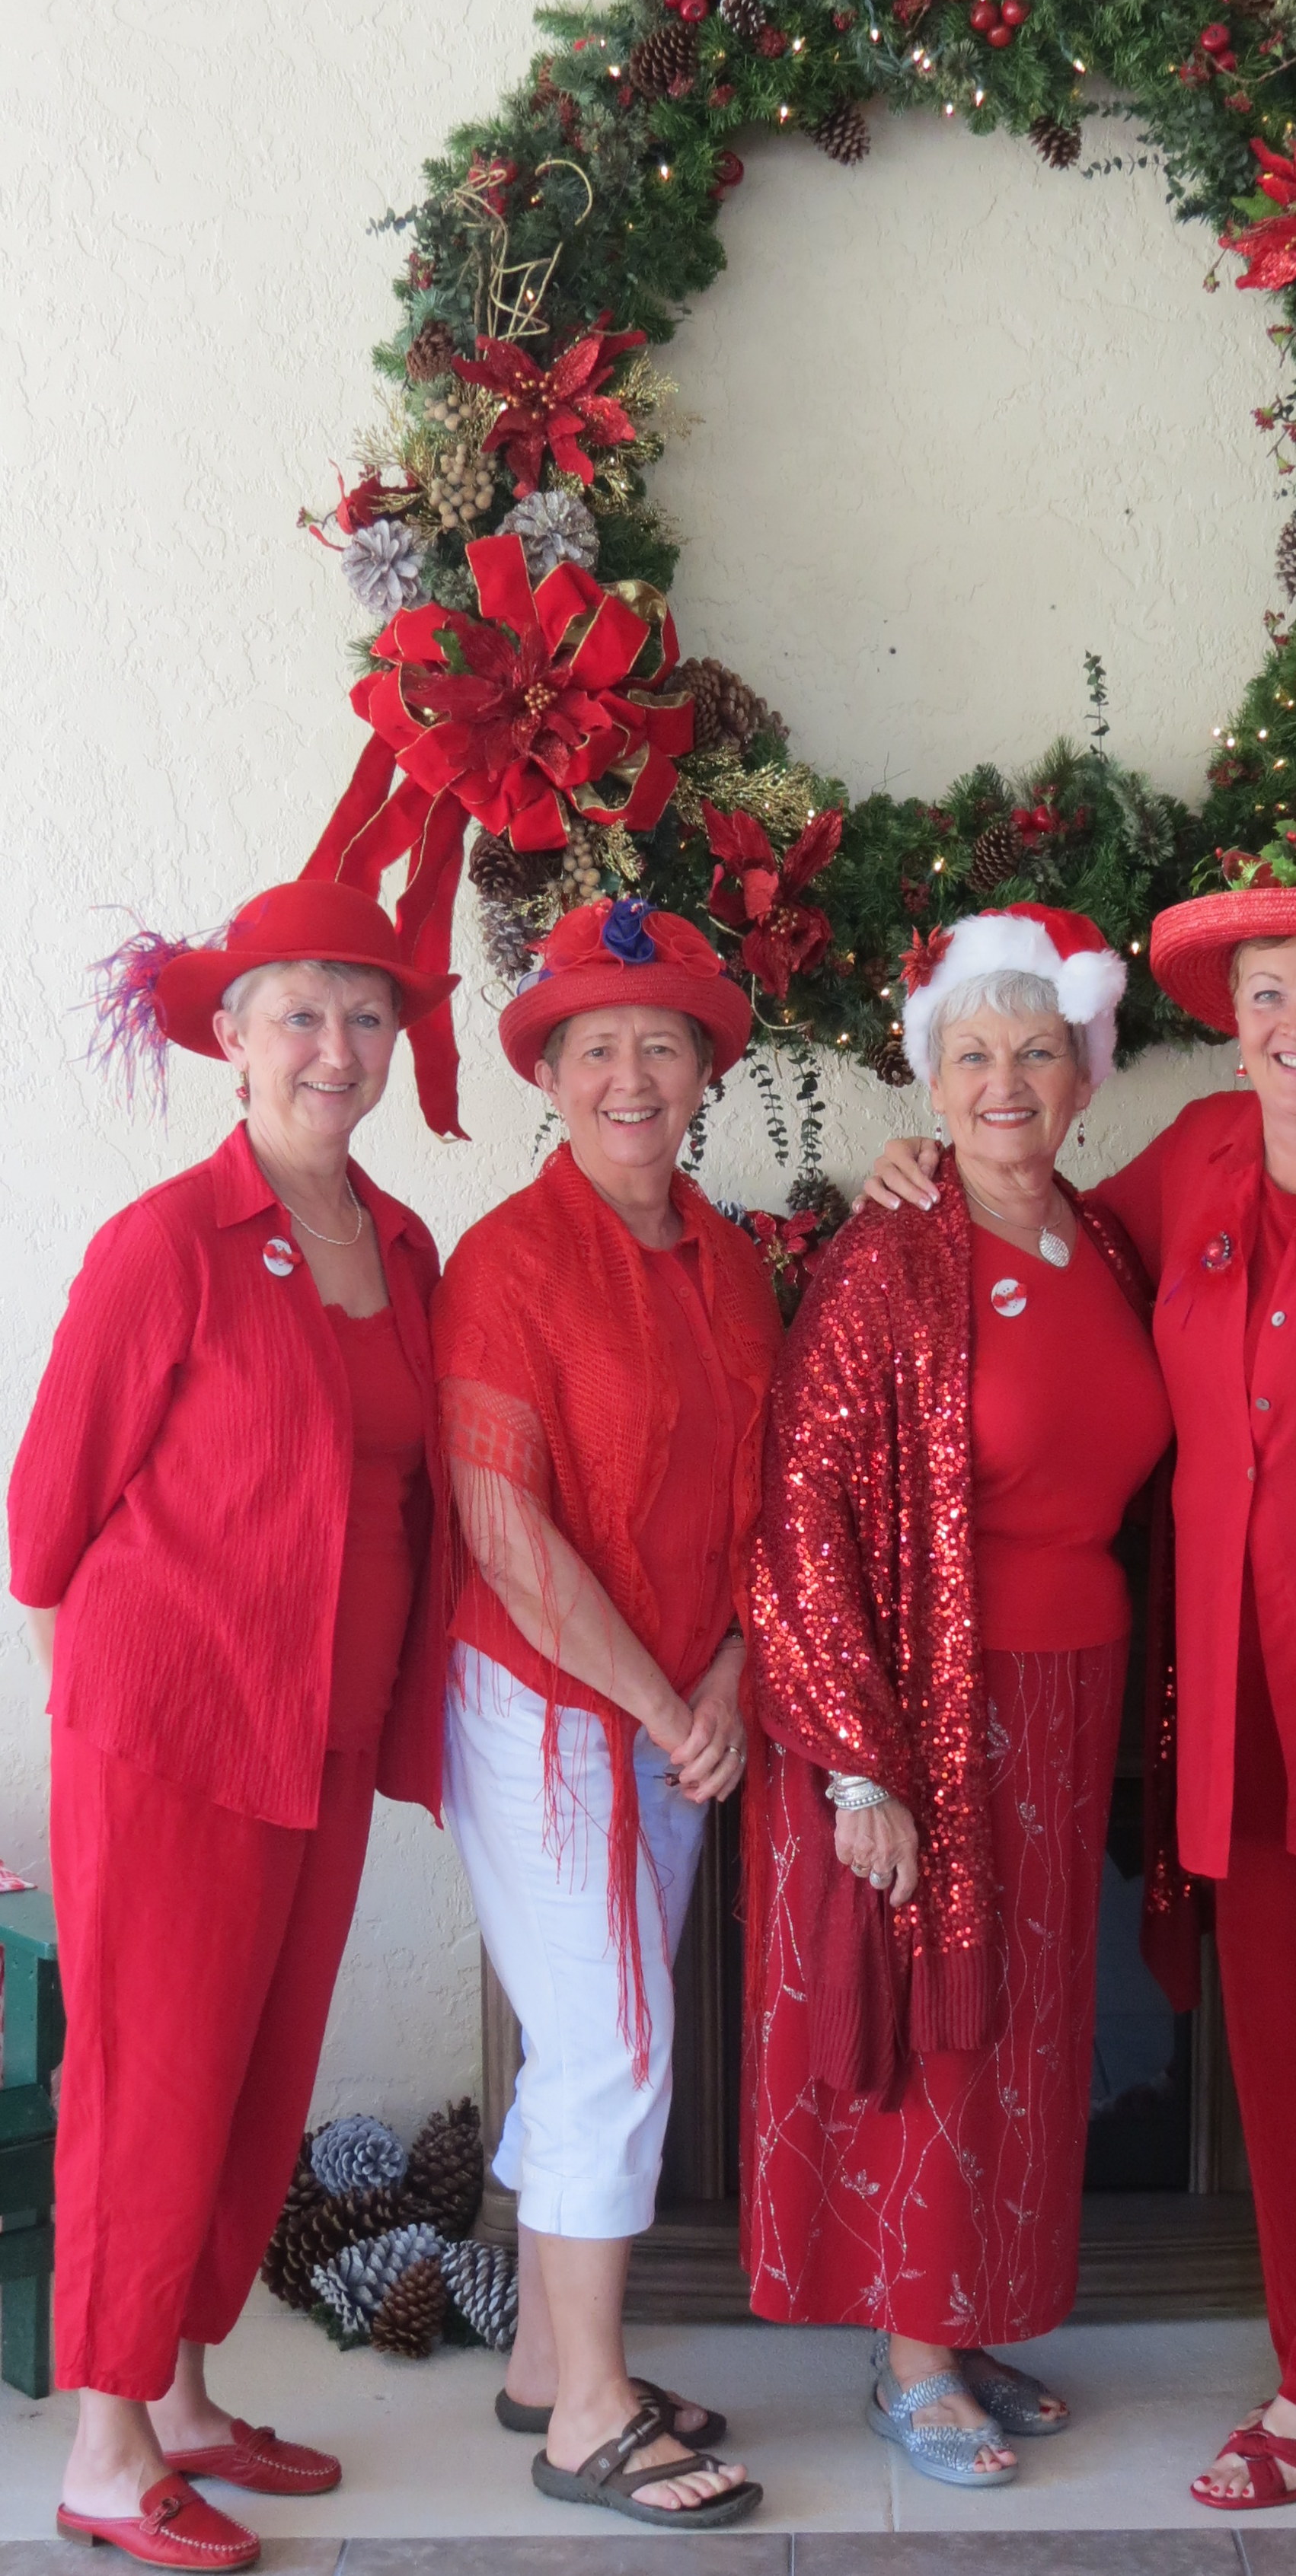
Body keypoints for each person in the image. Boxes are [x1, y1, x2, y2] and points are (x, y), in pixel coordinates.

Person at [860, 842, 1296, 2511]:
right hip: (1247, 1704)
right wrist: (923, 1164)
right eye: (1265, 994)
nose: (1293, 1024)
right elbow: (1038, 1239)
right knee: (1292, 2060)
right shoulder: (1199, 1158)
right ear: (1230, 1019)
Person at [8, 880, 458, 2571]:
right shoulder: (167, 1243)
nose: (336, 1047)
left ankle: (184, 2398)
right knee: (151, 2081)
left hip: (323, 1733)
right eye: (300, 1015)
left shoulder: (400, 1245)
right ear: (232, 1038)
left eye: (366, 1015)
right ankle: (105, 2448)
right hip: (176, 1735)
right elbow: (43, 1524)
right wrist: (125, 1700)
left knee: (257, 2078)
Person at [744, 904, 1173, 2488]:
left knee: (1026, 2023)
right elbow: (799, 1507)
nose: (1004, 1084)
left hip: (1073, 1690)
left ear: (1083, 1077)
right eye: (973, 1054)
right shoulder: (887, 1258)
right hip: (932, 1696)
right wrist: (858, 1762)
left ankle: (971, 2308)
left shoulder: (1102, 1242)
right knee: (937, 2007)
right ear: (930, 1081)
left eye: (1036, 1053)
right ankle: (910, 2352)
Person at [432, 894, 778, 2532]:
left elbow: (767, 1503)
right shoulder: (507, 1262)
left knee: (601, 2030)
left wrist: (727, 1676)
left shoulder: (733, 1261)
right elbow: (502, 1528)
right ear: (550, 1075)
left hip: (676, 1702)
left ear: (704, 1070)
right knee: (615, 2044)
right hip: (549, 1700)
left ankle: (538, 2362)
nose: (629, 1077)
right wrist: (657, 1695)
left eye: (660, 1046)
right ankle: (586, 2416)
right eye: (594, 1049)